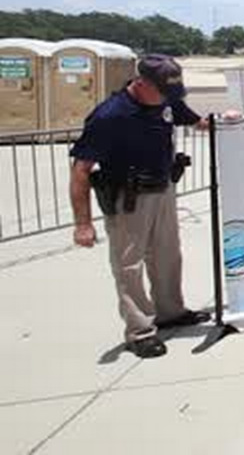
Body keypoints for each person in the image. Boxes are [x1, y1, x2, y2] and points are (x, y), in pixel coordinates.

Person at [69, 54, 219, 358]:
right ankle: (140, 331)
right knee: (129, 265)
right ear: (141, 83)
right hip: (128, 198)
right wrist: (83, 224)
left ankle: (170, 311)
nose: (168, 98)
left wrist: (225, 121)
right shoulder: (110, 115)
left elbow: (198, 123)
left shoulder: (167, 99)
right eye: (163, 91)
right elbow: (81, 169)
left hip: (163, 189)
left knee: (168, 254)